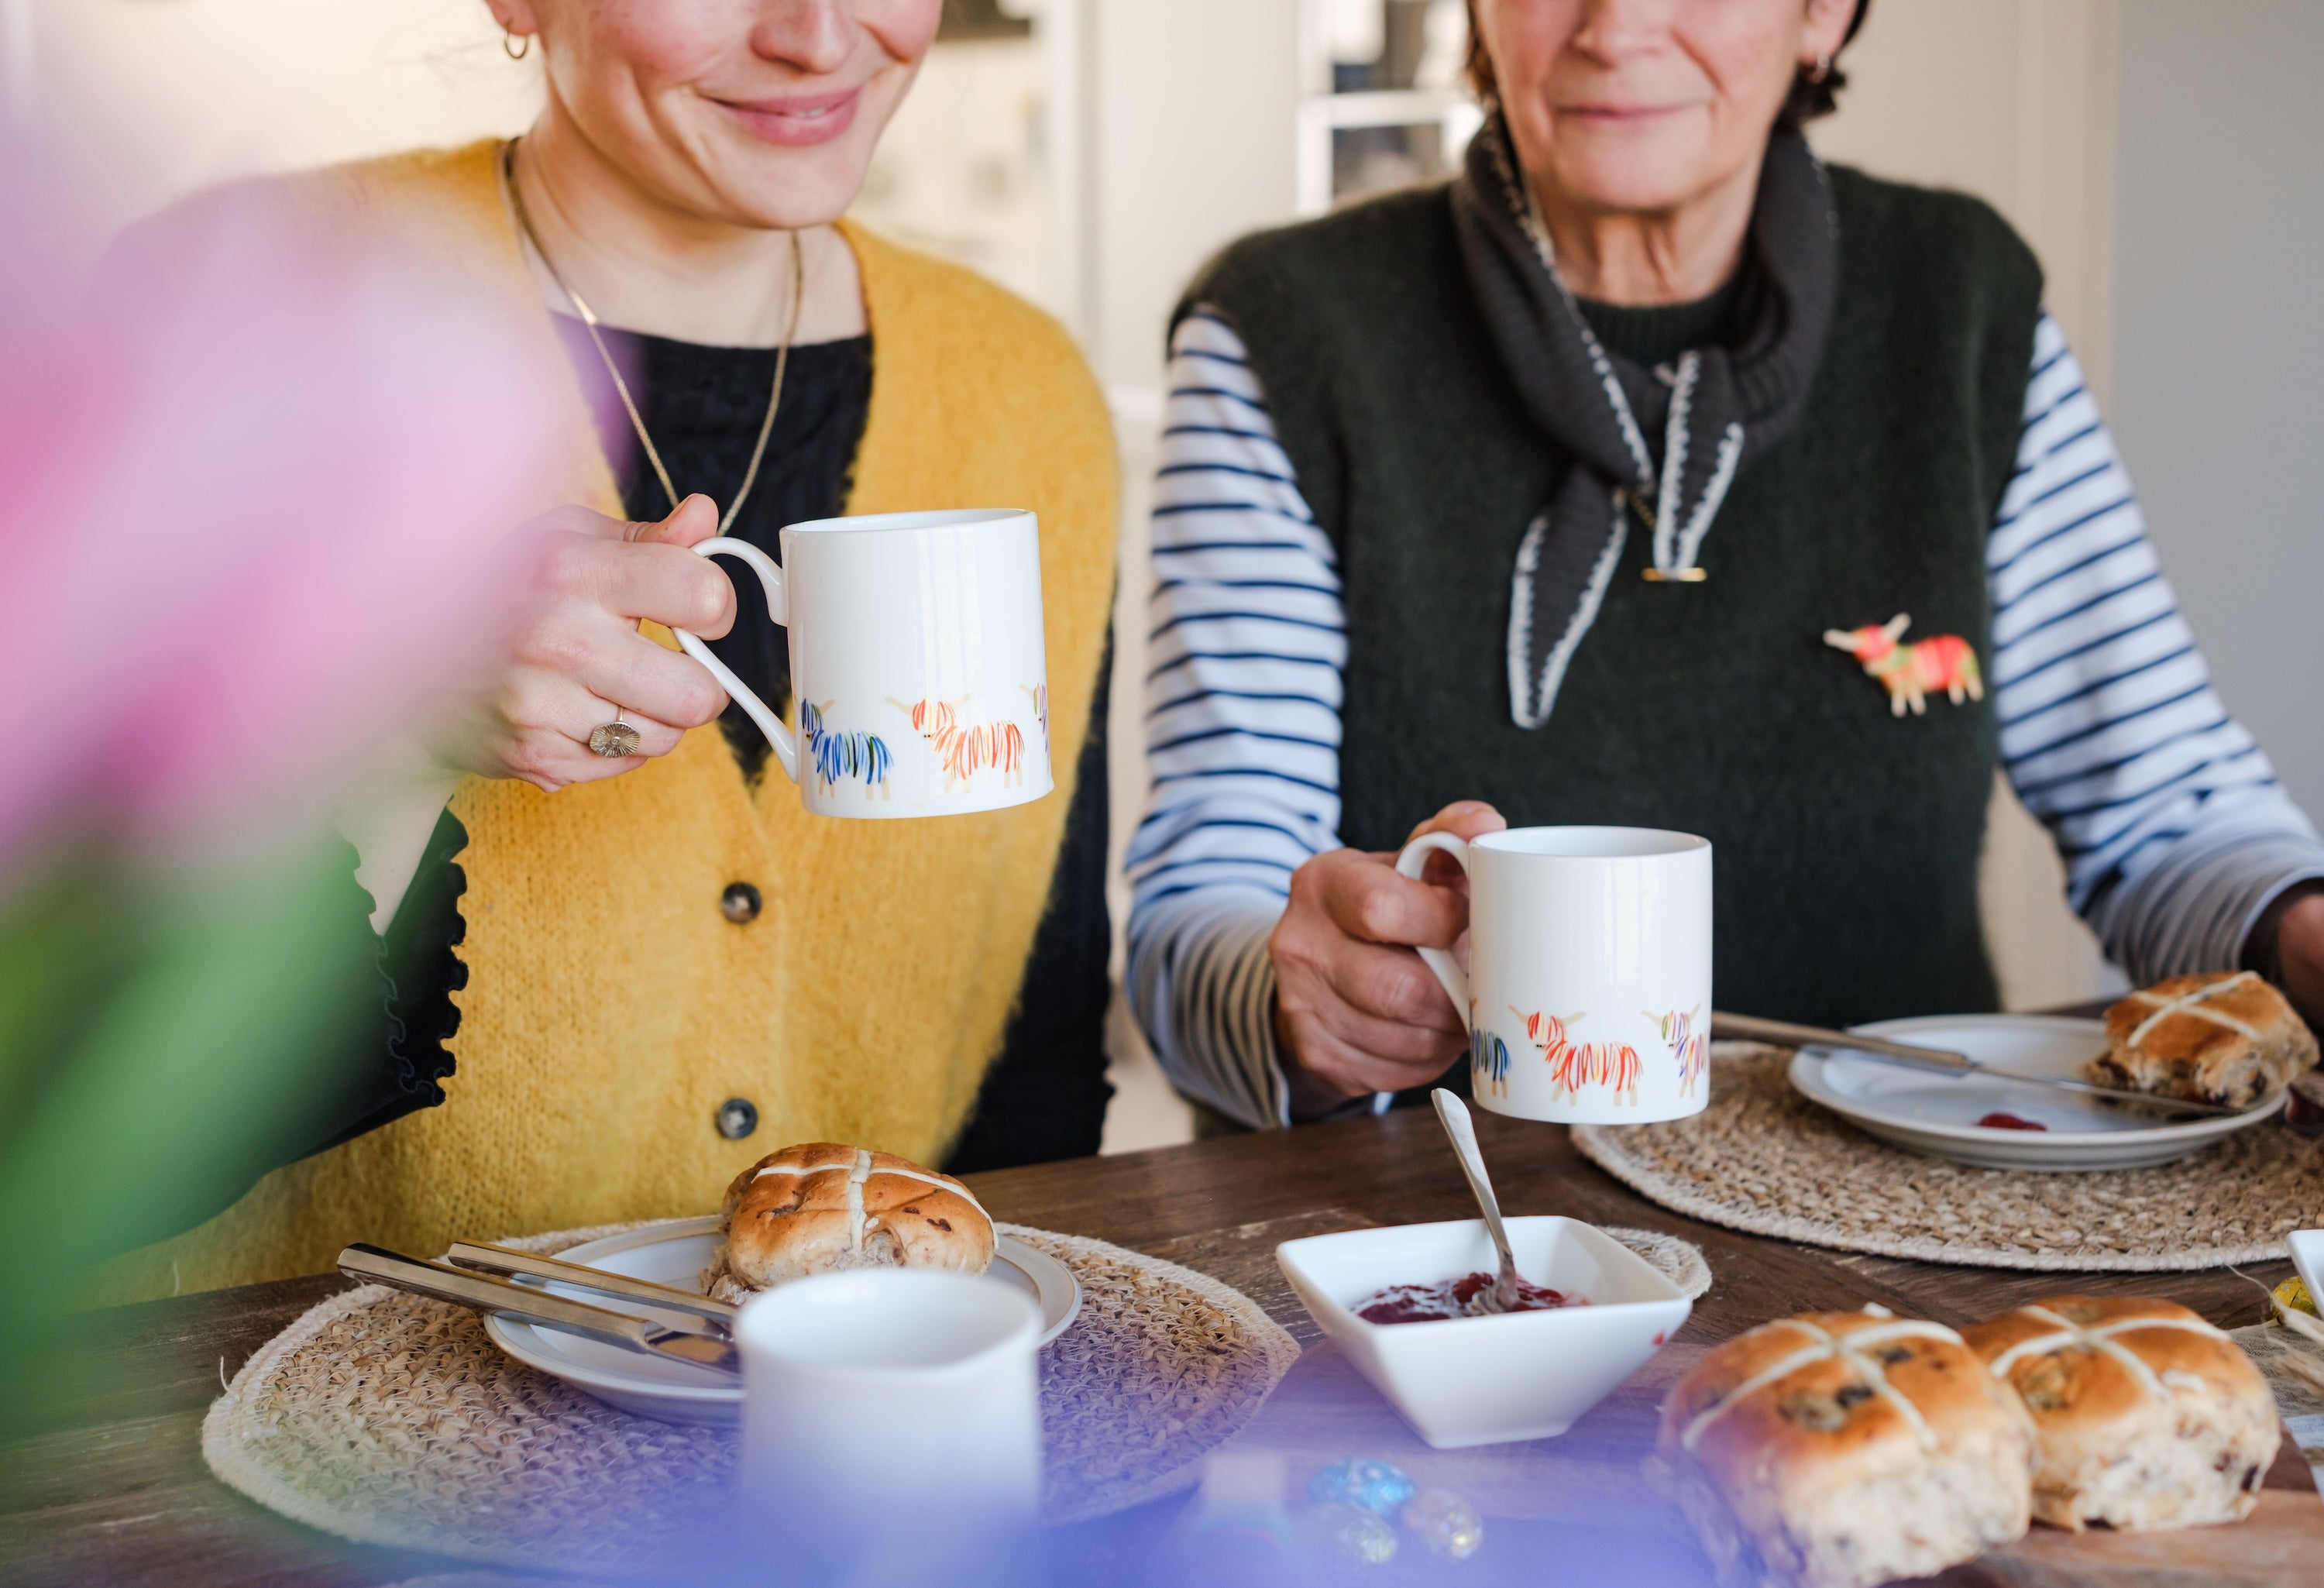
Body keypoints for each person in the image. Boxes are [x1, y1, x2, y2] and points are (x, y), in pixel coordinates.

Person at [1127, 0, 2324, 1129]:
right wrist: (1300, 1002)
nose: (1616, 28)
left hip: (1918, 1213)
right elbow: (1202, 912)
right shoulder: (1280, 333)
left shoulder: (1960, 305)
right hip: (1449, 1234)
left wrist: (2301, 928)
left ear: (1823, 14)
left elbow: (2167, 811)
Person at [97, 0, 1116, 1297]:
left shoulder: (1030, 394)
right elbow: (90, 1135)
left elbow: (1037, 1077)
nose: (818, 36)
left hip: (862, 1403)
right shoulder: (230, 310)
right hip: (299, 1397)